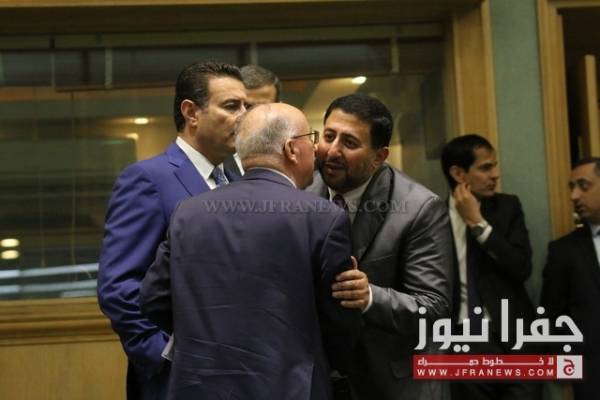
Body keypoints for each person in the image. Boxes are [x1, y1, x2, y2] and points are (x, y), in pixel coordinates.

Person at [140, 102, 362, 399]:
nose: (316, 148)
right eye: (311, 138)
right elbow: (340, 325)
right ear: (291, 149)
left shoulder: (188, 213)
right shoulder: (324, 218)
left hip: (200, 387)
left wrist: (201, 335)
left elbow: (153, 298)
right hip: (289, 387)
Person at [97, 61, 246, 400]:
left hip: (241, 374)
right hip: (179, 379)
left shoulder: (240, 178)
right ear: (191, 112)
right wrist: (164, 354)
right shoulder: (148, 179)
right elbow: (118, 286)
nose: (244, 116)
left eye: (246, 106)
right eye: (231, 106)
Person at [306, 93, 453, 400]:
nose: (332, 151)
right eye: (329, 136)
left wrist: (370, 297)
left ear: (379, 156)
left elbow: (434, 307)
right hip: (320, 376)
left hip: (391, 382)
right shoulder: (303, 188)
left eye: (349, 143)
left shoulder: (419, 208)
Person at [440, 134, 539, 400]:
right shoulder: (431, 216)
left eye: (494, 166)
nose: (495, 175)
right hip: (462, 339)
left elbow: (521, 268)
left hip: (516, 337)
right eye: (485, 168)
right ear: (458, 174)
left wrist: (478, 224)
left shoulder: (508, 207)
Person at [541, 157, 600, 400]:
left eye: (583, 186)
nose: (574, 196)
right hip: (593, 376)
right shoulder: (563, 251)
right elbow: (551, 313)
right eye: (571, 188)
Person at [225, 64, 281, 175]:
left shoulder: (292, 153)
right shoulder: (217, 156)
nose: (254, 115)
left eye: (263, 108)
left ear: (280, 107)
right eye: (247, 107)